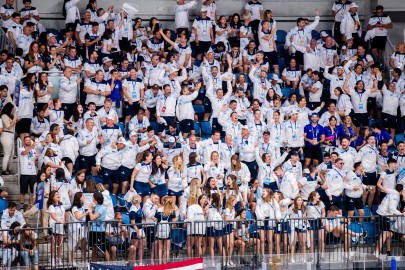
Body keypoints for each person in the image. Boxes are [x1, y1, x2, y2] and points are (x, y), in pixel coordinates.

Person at [155, 196, 178, 264]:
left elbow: (154, 219)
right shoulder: (171, 211)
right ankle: (165, 263)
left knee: (160, 249)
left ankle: (159, 263)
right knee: (167, 249)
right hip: (168, 230)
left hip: (160, 229)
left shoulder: (159, 210)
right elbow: (174, 220)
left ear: (163, 202)